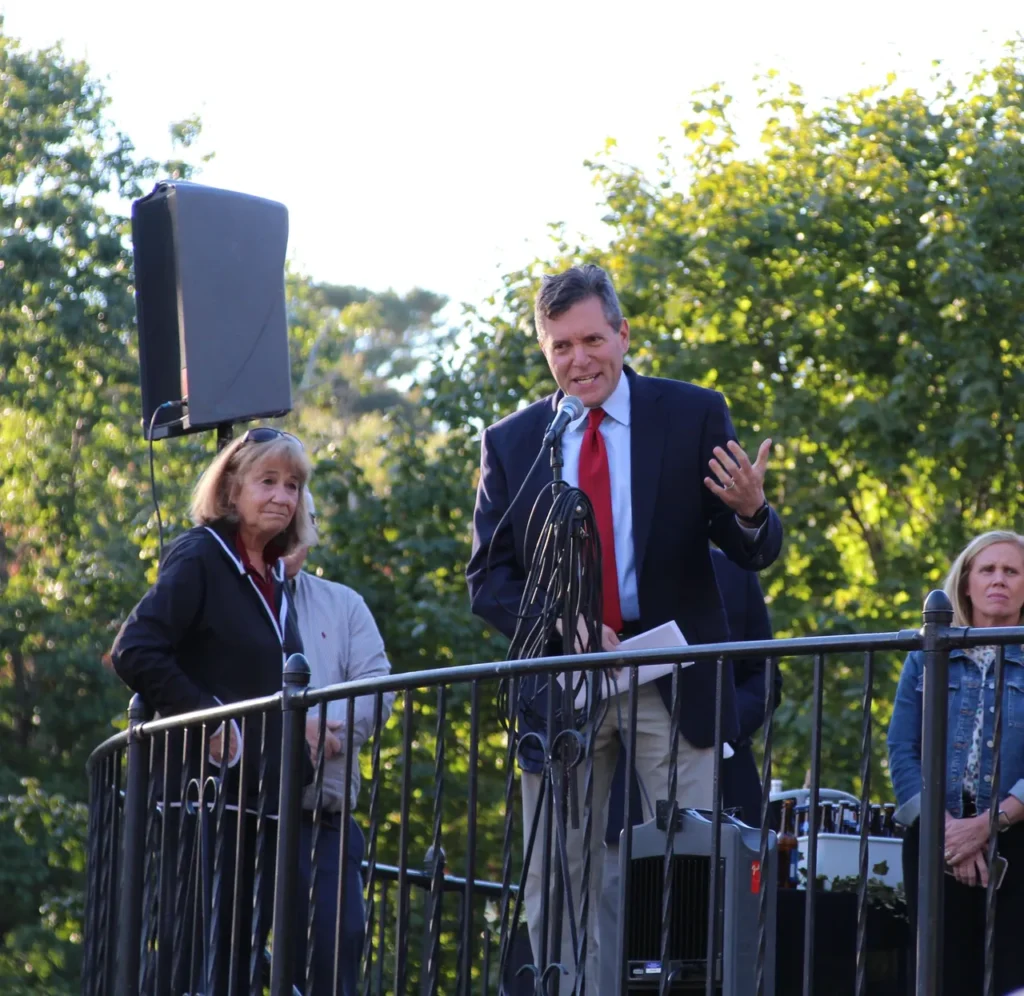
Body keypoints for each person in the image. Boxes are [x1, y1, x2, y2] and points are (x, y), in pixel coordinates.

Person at [466, 264, 783, 989]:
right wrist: (563, 628)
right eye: (560, 348)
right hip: (564, 683)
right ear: (544, 351)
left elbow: (748, 551)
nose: (578, 360)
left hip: (670, 678)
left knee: (696, 862)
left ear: (622, 333)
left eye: (590, 340)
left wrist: (750, 512)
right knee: (559, 871)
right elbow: (488, 579)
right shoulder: (516, 443)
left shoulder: (692, 412)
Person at [111, 426, 316, 996]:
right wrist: (208, 716)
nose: (282, 496)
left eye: (293, 485)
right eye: (268, 481)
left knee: (242, 960)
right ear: (231, 488)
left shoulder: (275, 574)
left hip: (261, 804)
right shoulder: (202, 556)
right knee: (194, 956)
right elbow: (135, 648)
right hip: (201, 799)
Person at [598, 546, 780, 982]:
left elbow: (764, 672)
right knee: (621, 933)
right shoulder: (615, 570)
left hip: (725, 774)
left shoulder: (733, 569)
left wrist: (721, 722)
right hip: (626, 789)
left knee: (723, 925)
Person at [888, 530, 1024, 996]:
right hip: (933, 838)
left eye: (1012, 571)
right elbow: (901, 750)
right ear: (966, 583)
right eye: (988, 569)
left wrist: (986, 825)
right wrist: (949, 832)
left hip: (1016, 838)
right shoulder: (929, 656)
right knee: (939, 975)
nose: (999, 580)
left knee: (1011, 976)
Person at [282, 490, 395, 996]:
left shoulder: (344, 605)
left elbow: (377, 687)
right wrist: (292, 727)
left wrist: (318, 725)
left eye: (299, 519)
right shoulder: (227, 599)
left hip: (324, 816)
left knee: (340, 940)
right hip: (241, 822)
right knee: (233, 957)